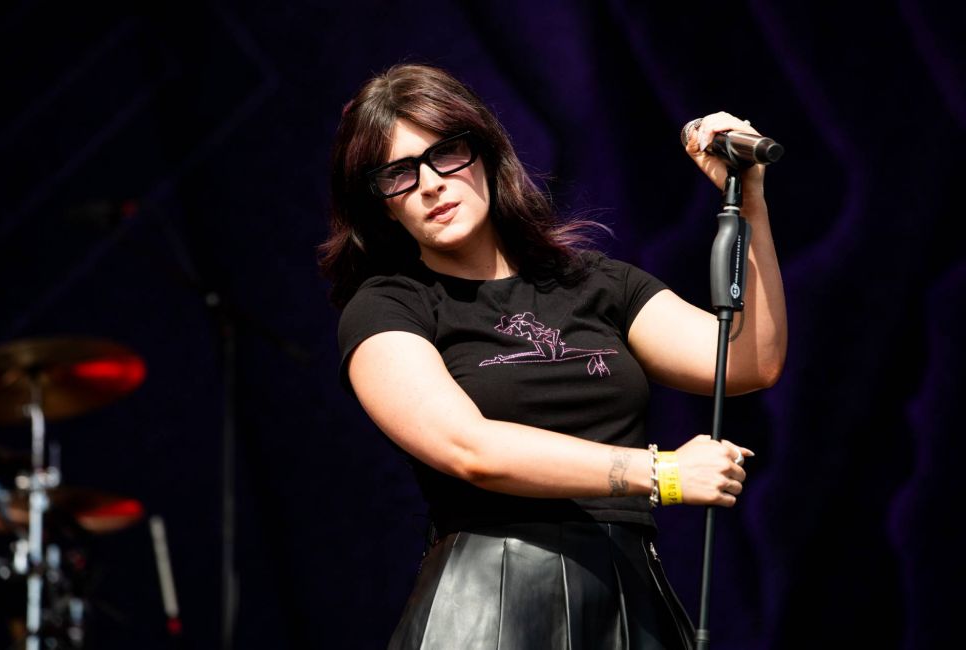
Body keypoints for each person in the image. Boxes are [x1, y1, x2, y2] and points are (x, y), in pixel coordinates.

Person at [319, 63, 786, 650]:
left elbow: (747, 362)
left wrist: (750, 201)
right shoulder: (388, 307)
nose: (431, 183)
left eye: (446, 154)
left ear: (484, 153)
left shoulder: (592, 282)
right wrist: (662, 473)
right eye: (398, 175)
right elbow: (472, 450)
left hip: (629, 599)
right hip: (487, 609)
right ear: (382, 204)